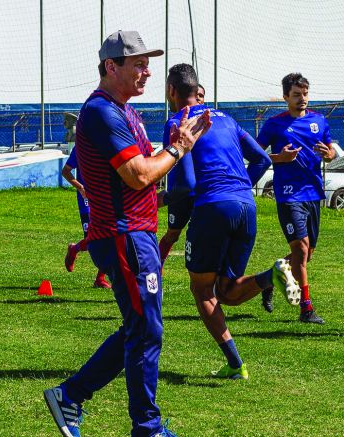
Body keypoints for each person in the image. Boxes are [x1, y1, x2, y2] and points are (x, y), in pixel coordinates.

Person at [43, 31, 211, 437]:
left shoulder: (126, 112)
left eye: (148, 64)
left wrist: (171, 178)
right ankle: (146, 427)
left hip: (137, 234)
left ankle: (71, 396)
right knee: (146, 330)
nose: (147, 72)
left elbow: (143, 179)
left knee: (141, 328)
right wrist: (178, 149)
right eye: (138, 64)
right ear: (110, 66)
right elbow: (138, 175)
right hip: (124, 237)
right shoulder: (102, 112)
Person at [164, 63, 294, 380]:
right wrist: (239, 187)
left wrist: (157, 199)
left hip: (213, 208)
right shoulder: (226, 119)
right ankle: (271, 275)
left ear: (171, 92)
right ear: (198, 90)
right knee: (227, 291)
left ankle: (236, 364)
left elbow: (186, 185)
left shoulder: (177, 122)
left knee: (202, 290)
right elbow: (261, 159)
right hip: (246, 206)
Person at [256, 73, 336, 322]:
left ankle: (269, 279)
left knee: (307, 254)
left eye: (305, 94)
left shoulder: (319, 121)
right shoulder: (274, 124)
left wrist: (328, 154)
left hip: (313, 193)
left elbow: (331, 151)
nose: (302, 99)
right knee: (300, 250)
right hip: (289, 195)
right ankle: (306, 308)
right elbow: (255, 154)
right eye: (296, 95)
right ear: (285, 97)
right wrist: (279, 158)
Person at [156, 83, 207, 266]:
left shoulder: (210, 125)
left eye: (201, 95)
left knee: (204, 233)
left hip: (203, 192)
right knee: (173, 234)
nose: (198, 98)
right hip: (180, 192)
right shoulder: (175, 124)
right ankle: (156, 267)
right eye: (196, 94)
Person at [62, 146, 112, 289]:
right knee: (93, 240)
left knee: (110, 237)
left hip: (105, 196)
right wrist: (81, 188)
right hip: (87, 200)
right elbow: (66, 171)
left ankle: (99, 279)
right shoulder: (80, 147)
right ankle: (74, 249)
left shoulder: (107, 143)